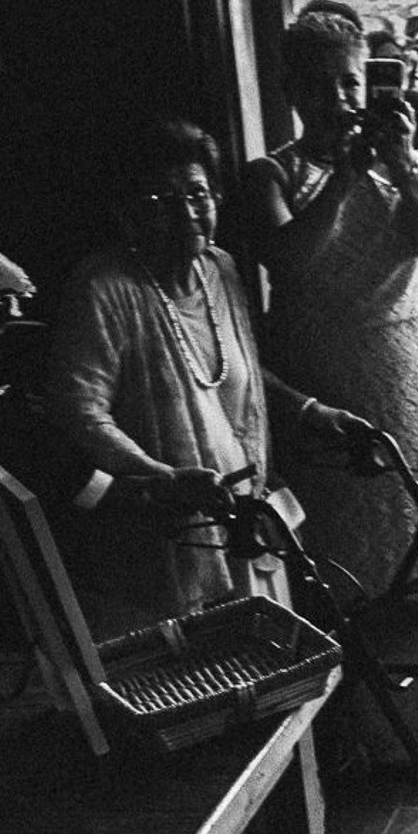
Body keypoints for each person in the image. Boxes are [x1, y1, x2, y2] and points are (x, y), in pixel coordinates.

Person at [244, 10, 418, 765]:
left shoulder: (402, 158)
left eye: (350, 81)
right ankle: (366, 731)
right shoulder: (270, 174)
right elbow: (289, 258)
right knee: (353, 542)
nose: (339, 98)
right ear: (291, 91)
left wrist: (403, 159)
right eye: (320, 86)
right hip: (333, 367)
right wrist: (348, 174)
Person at [47, 118, 370, 636]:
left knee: (272, 661)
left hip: (244, 523)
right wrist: (159, 478)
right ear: (127, 213)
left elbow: (241, 374)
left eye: (198, 194)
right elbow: (80, 412)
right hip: (170, 542)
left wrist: (310, 411)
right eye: (161, 200)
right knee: (206, 671)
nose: (187, 213)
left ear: (217, 196)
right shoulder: (103, 287)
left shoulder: (221, 269)